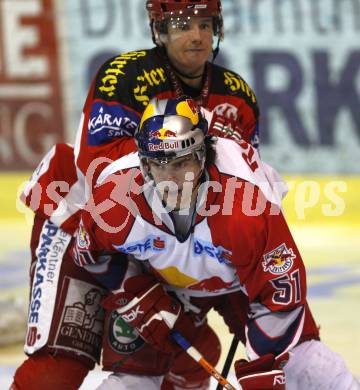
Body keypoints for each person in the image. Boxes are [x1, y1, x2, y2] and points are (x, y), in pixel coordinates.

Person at [11, 1, 262, 388]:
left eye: (204, 23)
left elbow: (242, 190)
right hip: (81, 223)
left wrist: (246, 298)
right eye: (181, 24)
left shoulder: (236, 97)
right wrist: (130, 283)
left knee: (189, 357)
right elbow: (100, 186)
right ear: (159, 30)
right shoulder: (125, 77)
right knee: (58, 367)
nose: (196, 35)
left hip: (158, 245)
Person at [72, 96, 360, 390]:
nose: (171, 179)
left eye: (181, 163)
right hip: (165, 282)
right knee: (136, 376)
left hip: (245, 282)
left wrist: (263, 367)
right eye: (159, 165)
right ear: (144, 165)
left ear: (202, 156)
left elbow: (280, 292)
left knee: (303, 362)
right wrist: (136, 294)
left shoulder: (246, 205)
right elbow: (89, 252)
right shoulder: (113, 198)